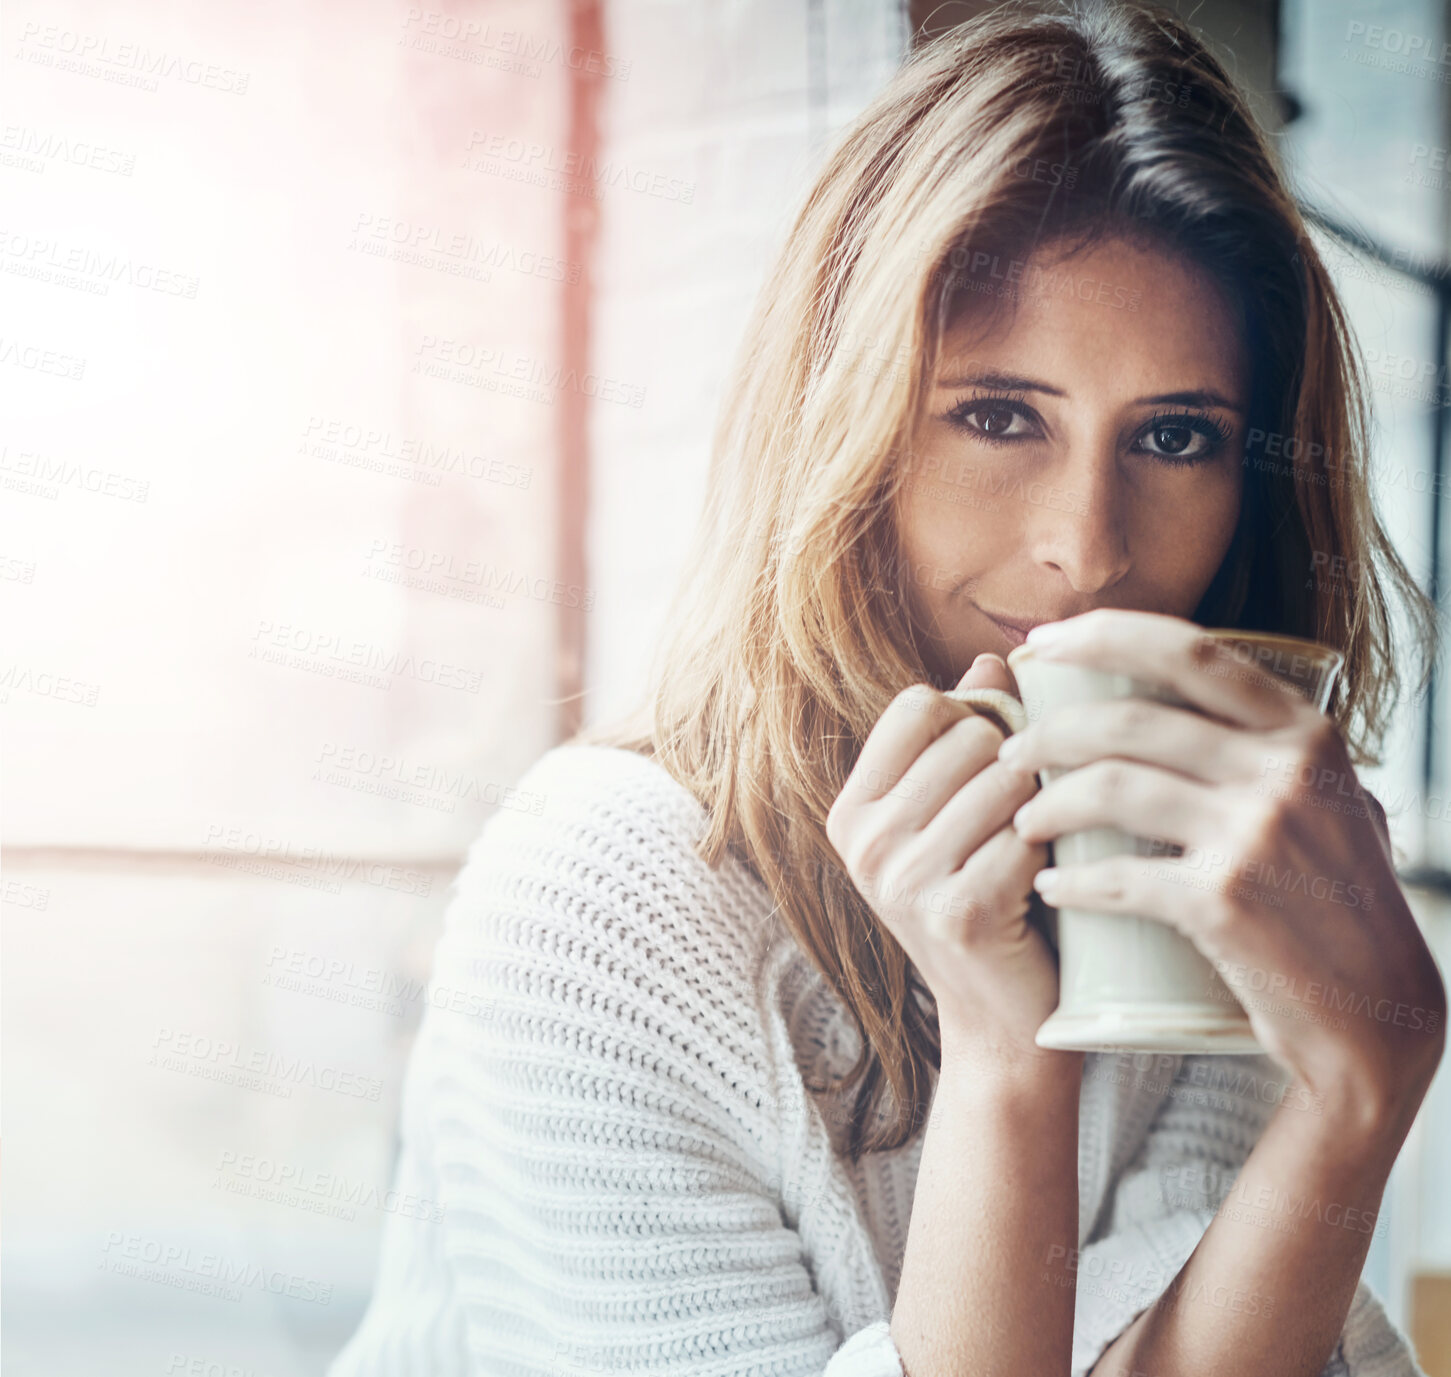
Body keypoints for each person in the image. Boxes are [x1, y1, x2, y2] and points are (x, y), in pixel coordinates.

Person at [328, 2, 1446, 1373]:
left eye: (1173, 436)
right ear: (845, 423)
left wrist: (1361, 1085)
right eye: (997, 415)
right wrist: (1005, 1050)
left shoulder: (1209, 870)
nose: (1086, 545)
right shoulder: (603, 893)